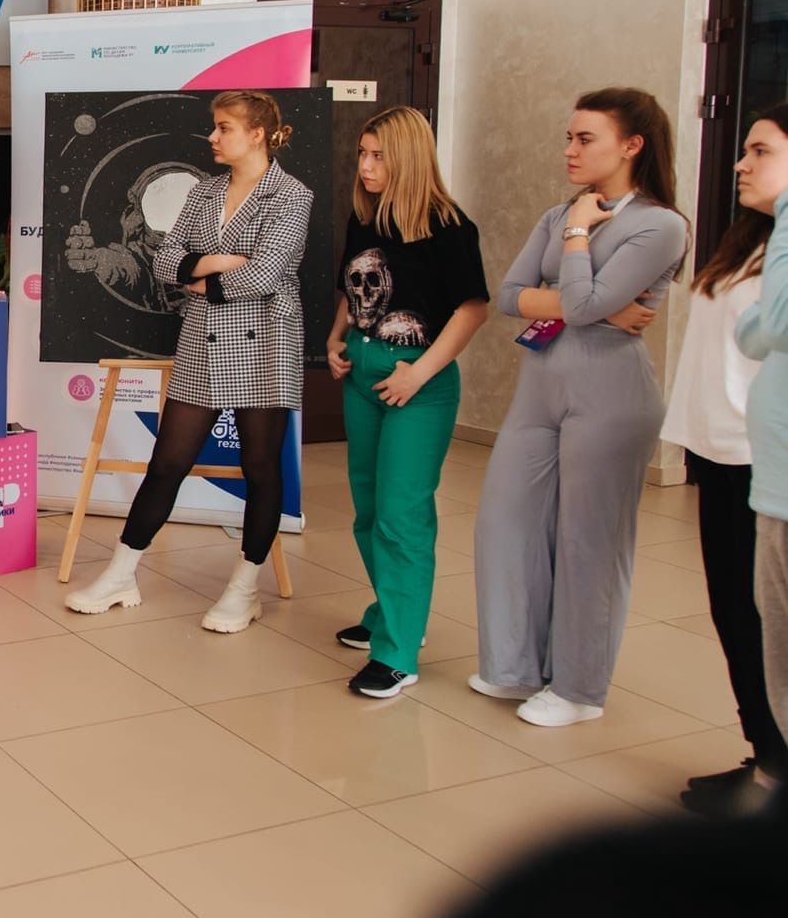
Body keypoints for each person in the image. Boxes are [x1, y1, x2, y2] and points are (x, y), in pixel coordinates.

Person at [473, 88, 687, 727]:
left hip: (611, 394)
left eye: (585, 138)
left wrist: (575, 240)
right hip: (540, 385)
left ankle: (578, 690)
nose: (570, 150)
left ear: (631, 145)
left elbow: (582, 304)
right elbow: (509, 295)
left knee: (588, 544)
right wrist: (591, 300)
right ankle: (515, 665)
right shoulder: (559, 210)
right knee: (505, 522)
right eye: (568, 137)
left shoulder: (660, 225)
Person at [66, 90, 312, 631]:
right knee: (167, 462)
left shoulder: (292, 195)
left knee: (260, 468)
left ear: (257, 134)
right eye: (214, 127)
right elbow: (166, 260)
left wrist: (202, 279)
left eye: (225, 128)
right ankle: (121, 573)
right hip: (202, 340)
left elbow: (265, 273)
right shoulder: (204, 192)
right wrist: (218, 262)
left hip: (265, 346)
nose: (213, 137)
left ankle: (245, 589)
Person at [325, 107, 489, 698]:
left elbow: (472, 310)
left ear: (410, 157)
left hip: (419, 383)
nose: (366, 166)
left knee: (401, 517)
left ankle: (397, 651)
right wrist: (335, 338)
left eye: (379, 156)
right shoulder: (364, 217)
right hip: (363, 374)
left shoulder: (449, 226)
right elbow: (350, 290)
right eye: (363, 154)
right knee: (368, 511)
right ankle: (391, 612)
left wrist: (418, 374)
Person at [661, 108, 785, 815]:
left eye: (760, 151)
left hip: (757, 458)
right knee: (735, 614)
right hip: (715, 449)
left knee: (762, 621)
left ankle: (774, 770)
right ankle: (766, 755)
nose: (741, 163)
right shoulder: (751, 241)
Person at [732, 105, 788, 802]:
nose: (741, 163)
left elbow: (769, 325)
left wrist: (759, 322)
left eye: (761, 150)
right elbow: (760, 333)